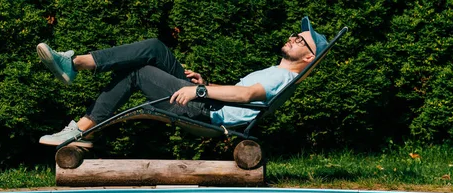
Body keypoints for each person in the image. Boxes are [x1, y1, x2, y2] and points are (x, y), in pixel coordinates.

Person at [37, 16, 327, 148]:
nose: (292, 37)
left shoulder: (281, 76)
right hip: (209, 103)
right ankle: (74, 65)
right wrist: (206, 83)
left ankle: (81, 127)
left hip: (205, 112)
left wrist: (199, 90)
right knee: (154, 48)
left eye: (300, 40)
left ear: (309, 58)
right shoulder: (276, 71)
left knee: (137, 71)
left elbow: (247, 94)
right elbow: (243, 96)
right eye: (295, 35)